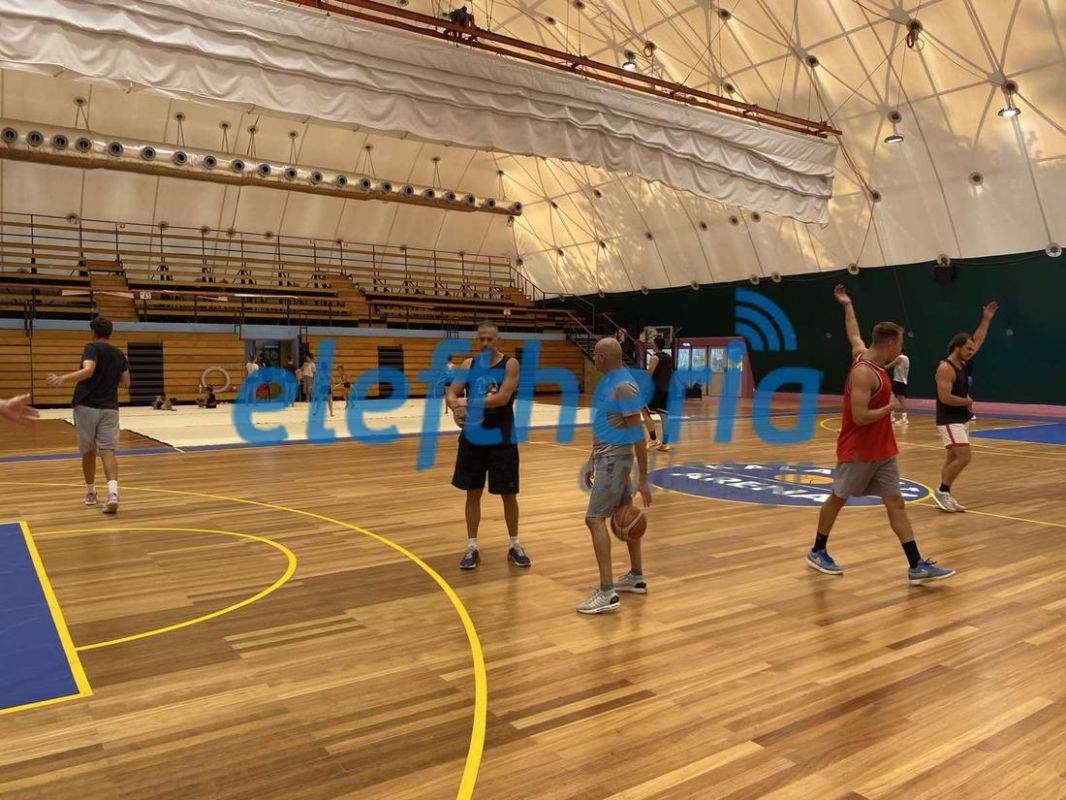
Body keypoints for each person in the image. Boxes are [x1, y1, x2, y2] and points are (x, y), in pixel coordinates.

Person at [807, 286, 954, 586]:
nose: (901, 348)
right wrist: (887, 408)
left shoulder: (867, 356)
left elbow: (853, 333)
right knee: (838, 498)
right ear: (889, 343)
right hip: (858, 449)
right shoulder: (863, 373)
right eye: (899, 343)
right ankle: (817, 550)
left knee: (896, 502)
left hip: (883, 449)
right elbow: (860, 417)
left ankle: (916, 565)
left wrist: (847, 305)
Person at [445, 321, 529, 570]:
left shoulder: (510, 364)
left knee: (508, 494)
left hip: (502, 438)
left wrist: (468, 403)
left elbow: (502, 398)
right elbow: (452, 393)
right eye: (481, 339)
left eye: (489, 339)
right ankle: (471, 546)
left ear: (498, 341)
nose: (484, 343)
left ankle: (515, 544)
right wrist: (455, 407)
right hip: (473, 438)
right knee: (472, 492)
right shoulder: (468, 365)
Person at [577, 337, 652, 615]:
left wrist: (643, 479)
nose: (594, 357)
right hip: (608, 458)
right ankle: (636, 577)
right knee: (624, 513)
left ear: (605, 356)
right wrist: (591, 459)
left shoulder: (623, 386)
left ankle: (606, 592)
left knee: (594, 519)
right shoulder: (612, 382)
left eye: (597, 354)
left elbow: (638, 435)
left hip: (615, 461)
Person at [47, 317, 130, 514]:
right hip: (110, 407)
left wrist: (63, 378)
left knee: (89, 451)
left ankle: (91, 492)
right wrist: (108, 380)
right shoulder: (119, 354)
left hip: (87, 406)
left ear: (93, 332)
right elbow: (126, 382)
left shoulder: (91, 347)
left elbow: (88, 370)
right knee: (108, 450)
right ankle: (113, 494)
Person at [933, 301, 998, 512]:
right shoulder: (945, 368)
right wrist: (967, 401)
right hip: (949, 419)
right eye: (968, 349)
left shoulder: (963, 363)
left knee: (952, 457)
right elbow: (945, 398)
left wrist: (986, 319)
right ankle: (942, 491)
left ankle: (945, 494)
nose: (972, 351)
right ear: (956, 347)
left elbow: (978, 339)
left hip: (961, 418)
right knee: (964, 457)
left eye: (972, 349)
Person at [645, 335, 674, 452]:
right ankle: (665, 444)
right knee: (664, 416)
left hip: (656, 390)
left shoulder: (654, 358)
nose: (651, 344)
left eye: (652, 343)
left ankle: (653, 439)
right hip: (667, 390)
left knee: (644, 411)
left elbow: (649, 374)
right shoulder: (669, 357)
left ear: (656, 344)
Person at [888, 352, 910, 424]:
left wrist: (880, 367)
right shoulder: (906, 358)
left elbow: (888, 366)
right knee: (901, 399)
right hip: (903, 382)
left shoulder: (900, 357)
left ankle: (892, 417)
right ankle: (903, 418)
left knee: (892, 397)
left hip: (898, 381)